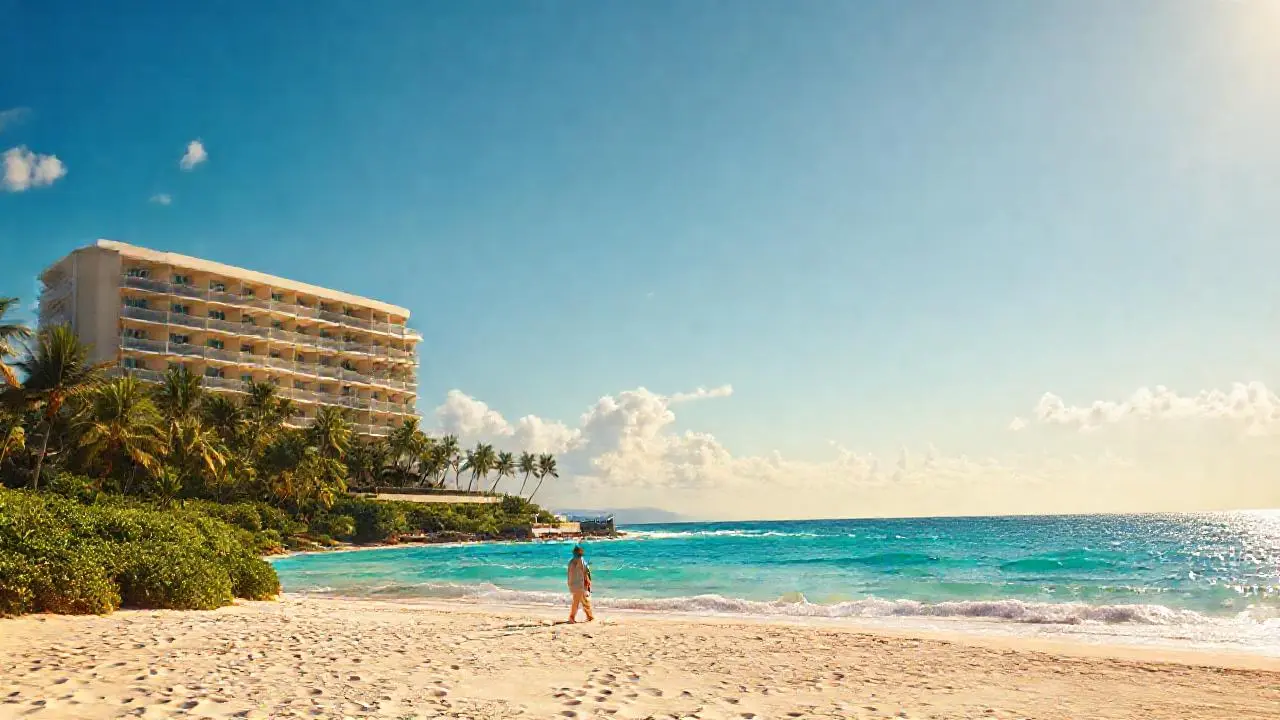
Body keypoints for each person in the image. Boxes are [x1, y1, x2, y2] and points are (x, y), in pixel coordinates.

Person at [566, 544, 594, 623]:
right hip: (579, 584)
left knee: (584, 600)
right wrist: (588, 582)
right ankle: (571, 617)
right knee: (577, 602)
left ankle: (590, 616)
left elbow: (569, 574)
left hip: (573, 584)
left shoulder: (571, 562)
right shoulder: (581, 560)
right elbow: (585, 571)